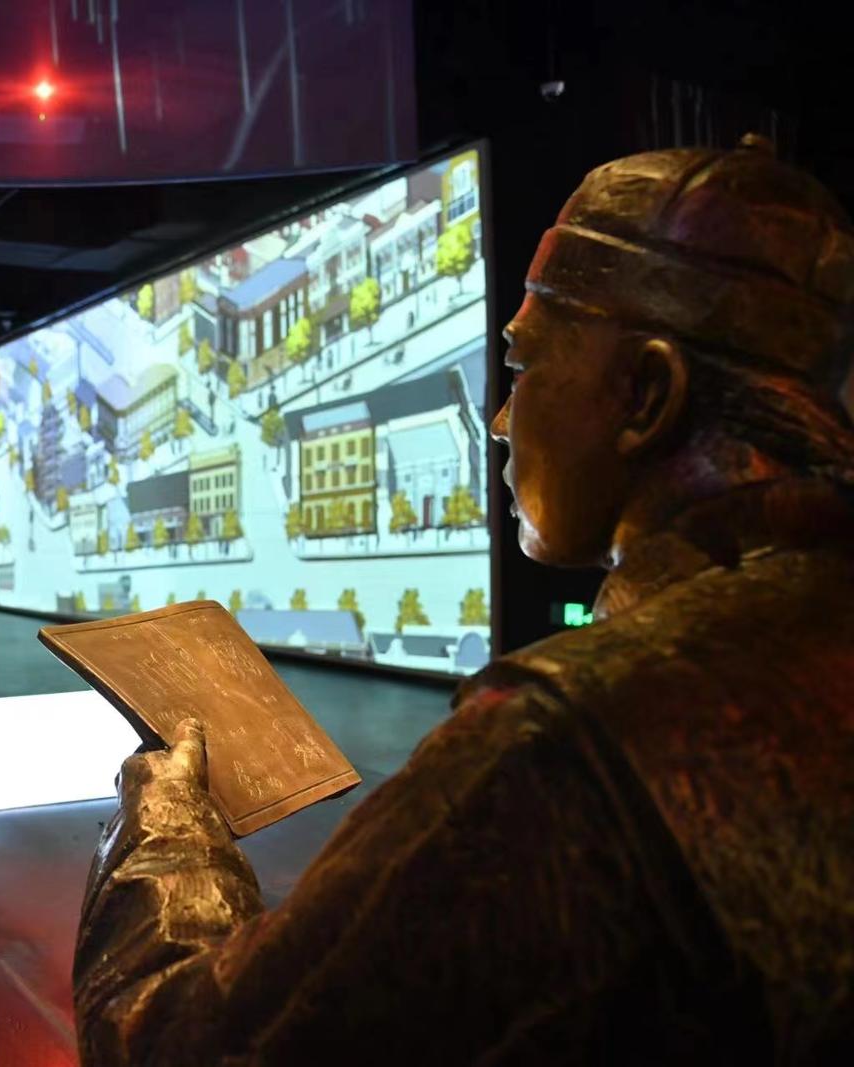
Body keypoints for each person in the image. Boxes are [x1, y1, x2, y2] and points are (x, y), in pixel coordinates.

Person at [73, 136, 854, 1064]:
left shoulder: (552, 750)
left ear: (645, 395)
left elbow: (176, 1045)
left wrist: (165, 821)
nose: (500, 420)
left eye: (521, 369)